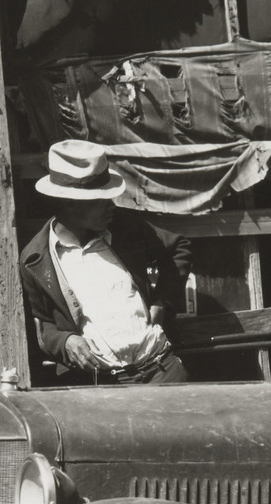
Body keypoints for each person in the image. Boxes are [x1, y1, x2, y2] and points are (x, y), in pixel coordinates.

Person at [19, 139, 191, 384]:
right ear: (71, 203)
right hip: (103, 388)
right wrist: (65, 341)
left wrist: (162, 302)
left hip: (162, 372)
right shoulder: (37, 261)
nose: (112, 205)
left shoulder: (125, 228)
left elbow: (179, 248)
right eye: (101, 199)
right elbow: (43, 325)